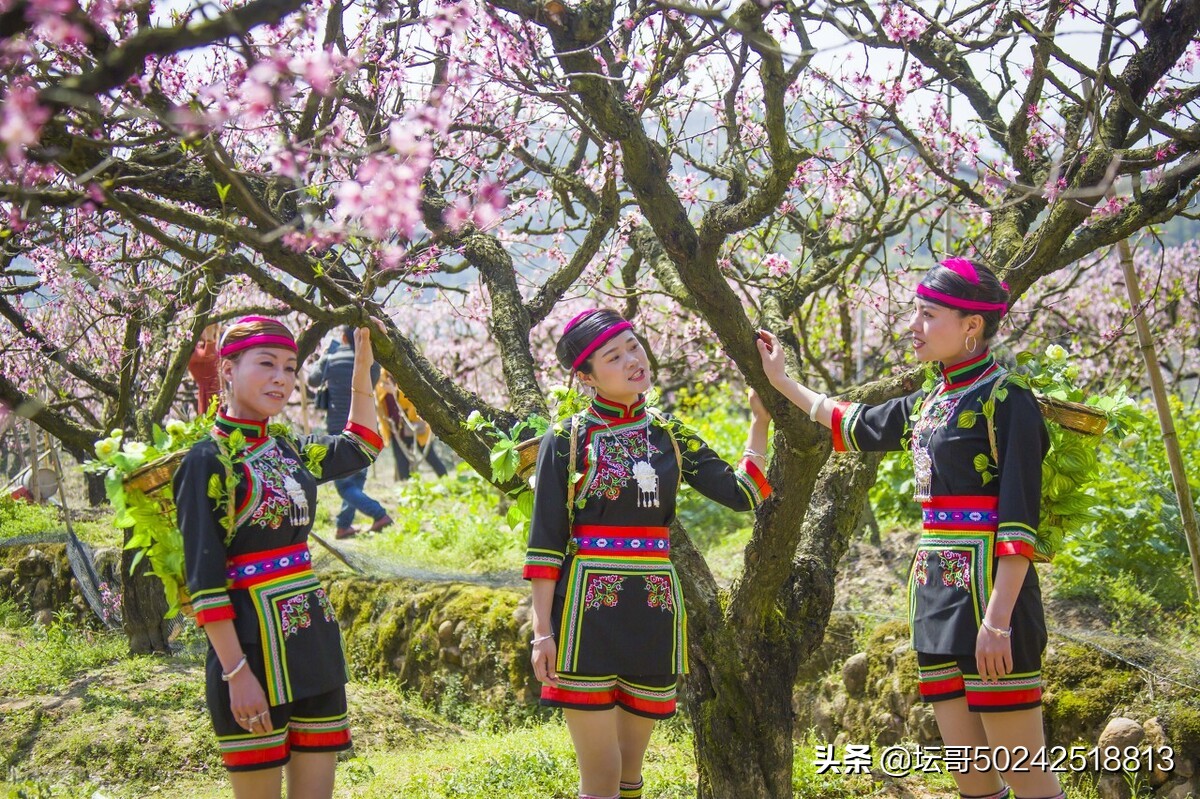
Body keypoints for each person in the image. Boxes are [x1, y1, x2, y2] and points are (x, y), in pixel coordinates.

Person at [757, 258, 1063, 799]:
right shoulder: (929, 401)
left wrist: (997, 622)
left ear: (972, 326)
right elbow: (851, 423)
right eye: (913, 312)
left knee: (1026, 776)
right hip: (934, 597)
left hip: (992, 603)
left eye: (927, 314)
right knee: (970, 775)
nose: (913, 326)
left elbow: (1018, 525)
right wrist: (781, 381)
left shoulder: (1008, 401)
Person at [526, 309, 773, 799]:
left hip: (654, 611)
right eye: (613, 357)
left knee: (630, 775)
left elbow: (744, 493)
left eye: (634, 346)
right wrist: (541, 631)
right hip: (584, 615)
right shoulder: (567, 440)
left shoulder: (670, 435)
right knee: (599, 777)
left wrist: (760, 420)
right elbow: (546, 542)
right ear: (586, 377)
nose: (632, 360)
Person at [173, 316, 385, 798]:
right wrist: (235, 673)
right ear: (227, 370)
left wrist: (362, 367)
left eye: (290, 368)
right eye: (266, 364)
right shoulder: (206, 461)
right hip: (251, 652)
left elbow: (362, 444)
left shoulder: (288, 450)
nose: (281, 379)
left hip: (312, 641)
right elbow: (204, 581)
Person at [307, 326, 391, 539]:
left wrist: (324, 356)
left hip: (338, 425)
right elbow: (371, 383)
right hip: (366, 425)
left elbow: (313, 380)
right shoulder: (371, 364)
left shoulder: (332, 357)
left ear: (344, 337)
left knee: (345, 485)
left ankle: (379, 514)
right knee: (356, 476)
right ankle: (343, 526)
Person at [375, 370, 449, 481]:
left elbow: (413, 401)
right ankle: (410, 492)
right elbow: (380, 406)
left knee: (431, 458)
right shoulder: (381, 380)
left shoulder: (407, 374)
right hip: (397, 431)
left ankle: (448, 483)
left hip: (416, 426)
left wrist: (395, 392)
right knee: (402, 465)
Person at [188, 323, 222, 416]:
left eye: (213, 328)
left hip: (221, 392)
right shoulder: (191, 349)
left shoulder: (214, 345)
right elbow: (208, 356)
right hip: (208, 395)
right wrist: (209, 337)